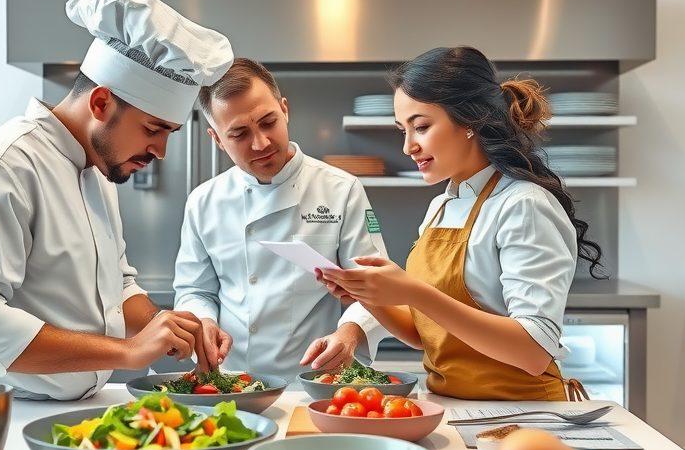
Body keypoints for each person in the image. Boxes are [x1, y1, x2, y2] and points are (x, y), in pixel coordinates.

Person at [0, 0, 235, 423]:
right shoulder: (0, 166)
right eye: (153, 130)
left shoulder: (98, 174)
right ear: (101, 102)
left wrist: (165, 325)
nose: (161, 152)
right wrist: (128, 351)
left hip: (48, 413)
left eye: (169, 133)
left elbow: (117, 286)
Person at [318, 46, 606, 401]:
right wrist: (372, 297)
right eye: (402, 130)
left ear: (470, 120)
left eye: (421, 126)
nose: (408, 147)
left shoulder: (524, 204)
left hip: (524, 413)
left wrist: (412, 291)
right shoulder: (442, 205)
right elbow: (428, 334)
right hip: (452, 405)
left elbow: (533, 351)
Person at [172, 58, 389, 380]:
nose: (260, 143)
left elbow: (376, 285)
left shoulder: (341, 189)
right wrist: (204, 321)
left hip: (313, 381)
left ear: (284, 110)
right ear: (216, 139)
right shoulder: (204, 201)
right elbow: (195, 290)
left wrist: (352, 332)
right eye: (239, 134)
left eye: (268, 122)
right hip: (229, 380)